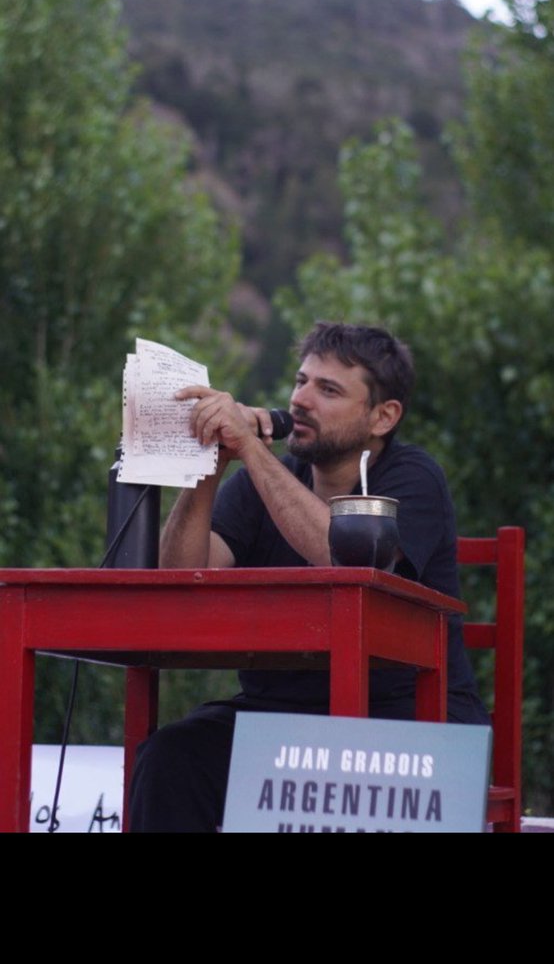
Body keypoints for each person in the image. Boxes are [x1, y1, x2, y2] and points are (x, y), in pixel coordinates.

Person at [129, 321, 489, 832]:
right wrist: (211, 465)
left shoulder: (413, 477)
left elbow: (348, 556)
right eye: (301, 381)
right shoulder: (258, 483)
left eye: (328, 390)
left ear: (383, 416)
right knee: (171, 758)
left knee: (328, 778)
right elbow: (182, 579)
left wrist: (252, 450)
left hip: (406, 720)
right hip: (281, 720)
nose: (300, 399)